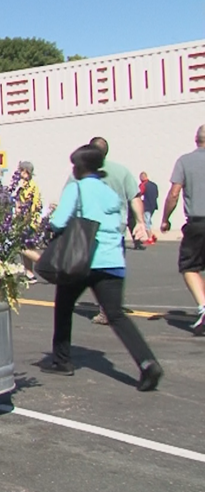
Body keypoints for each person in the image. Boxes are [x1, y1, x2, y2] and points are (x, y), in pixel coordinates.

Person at [39, 144, 163, 391]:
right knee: (116, 315)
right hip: (112, 258)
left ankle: (62, 360)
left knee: (64, 306)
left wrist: (50, 226)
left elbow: (60, 220)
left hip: (82, 259)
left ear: (79, 168)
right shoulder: (109, 192)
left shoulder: (77, 188)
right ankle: (147, 363)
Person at [85, 137, 149, 323]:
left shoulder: (82, 172)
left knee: (91, 270)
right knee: (113, 268)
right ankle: (110, 306)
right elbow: (135, 197)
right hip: (115, 228)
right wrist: (140, 222)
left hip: (90, 229)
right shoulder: (122, 171)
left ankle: (106, 308)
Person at [160, 125, 205, 336]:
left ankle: (203, 306)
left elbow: (174, 193)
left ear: (196, 139)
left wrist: (166, 219)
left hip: (198, 223)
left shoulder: (185, 161)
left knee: (190, 266)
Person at [139, 171, 159, 244]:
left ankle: (150, 238)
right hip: (153, 205)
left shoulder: (143, 185)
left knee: (146, 222)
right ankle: (152, 235)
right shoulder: (154, 185)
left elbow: (139, 194)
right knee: (149, 220)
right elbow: (157, 195)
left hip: (146, 206)